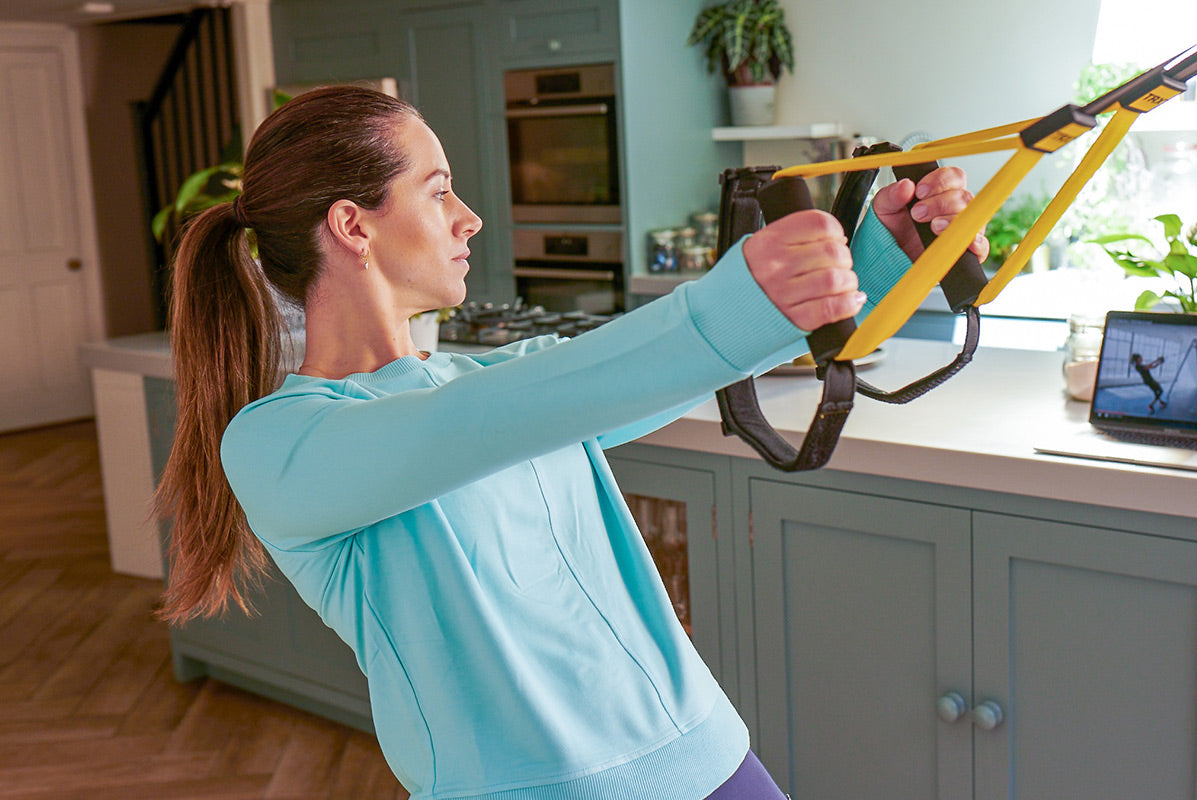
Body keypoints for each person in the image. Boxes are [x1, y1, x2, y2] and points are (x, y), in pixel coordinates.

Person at [154, 85, 988, 800]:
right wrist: (730, 298)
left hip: (710, 750)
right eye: (438, 192)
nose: (469, 218)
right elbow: (482, 421)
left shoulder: (499, 377)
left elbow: (651, 371)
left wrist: (889, 261)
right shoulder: (280, 444)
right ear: (352, 225)